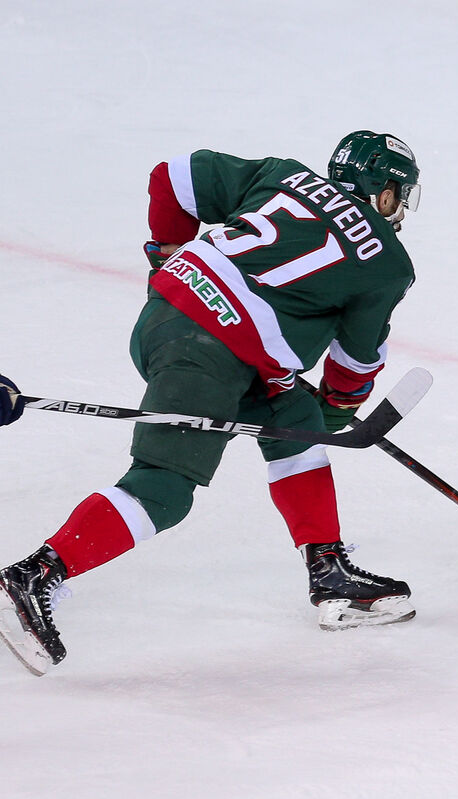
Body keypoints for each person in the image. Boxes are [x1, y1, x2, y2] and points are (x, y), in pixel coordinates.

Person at [0, 131, 424, 676]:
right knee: (164, 488)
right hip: (206, 357)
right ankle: (34, 575)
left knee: (291, 414)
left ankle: (329, 571)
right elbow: (355, 362)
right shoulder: (387, 261)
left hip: (170, 322)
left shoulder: (282, 173)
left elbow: (172, 178)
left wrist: (167, 256)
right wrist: (338, 413)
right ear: (384, 194)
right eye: (399, 196)